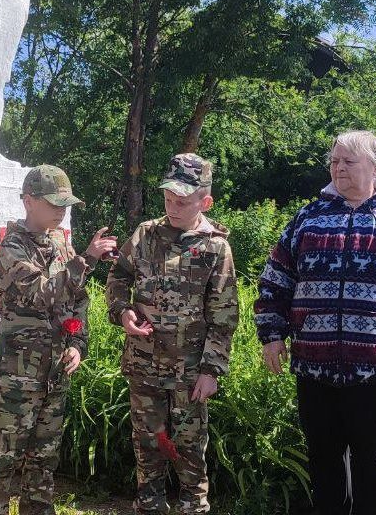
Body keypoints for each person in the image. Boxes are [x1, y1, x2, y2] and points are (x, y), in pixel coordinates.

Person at [255, 130, 376, 515]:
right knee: (323, 455)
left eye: (349, 160)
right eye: (334, 161)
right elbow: (276, 278)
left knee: (375, 457)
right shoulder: (308, 217)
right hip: (314, 361)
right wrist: (272, 334)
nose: (339, 167)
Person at [105, 153, 239, 515]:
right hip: (144, 362)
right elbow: (118, 279)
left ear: (204, 201)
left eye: (182, 201)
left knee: (189, 446)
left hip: (190, 370)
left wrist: (211, 370)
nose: (173, 206)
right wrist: (123, 312)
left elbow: (224, 314)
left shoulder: (215, 247)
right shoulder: (145, 235)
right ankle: (149, 505)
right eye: (168, 198)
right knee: (147, 444)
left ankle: (193, 506)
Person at [0, 164, 117, 515]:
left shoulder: (59, 242)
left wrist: (77, 343)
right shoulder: (13, 246)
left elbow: (77, 300)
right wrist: (87, 259)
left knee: (43, 461)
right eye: (54, 202)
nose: (61, 209)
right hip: (17, 377)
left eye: (65, 203)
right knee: (3, 464)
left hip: (53, 373)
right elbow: (42, 294)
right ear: (28, 201)